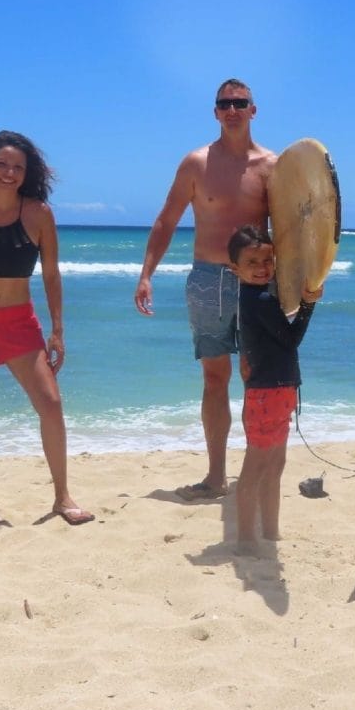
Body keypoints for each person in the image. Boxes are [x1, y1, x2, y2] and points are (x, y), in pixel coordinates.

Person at [134, 79, 277, 501]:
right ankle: (216, 476)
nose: (232, 109)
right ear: (215, 112)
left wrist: (305, 280)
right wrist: (146, 274)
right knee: (215, 378)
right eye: (224, 103)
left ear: (254, 109)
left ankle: (255, 471)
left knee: (257, 376)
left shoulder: (273, 165)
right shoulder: (196, 163)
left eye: (240, 102)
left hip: (257, 281)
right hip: (208, 279)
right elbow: (166, 220)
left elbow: (295, 228)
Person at [0, 131, 94, 526]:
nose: (9, 172)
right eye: (1, 164)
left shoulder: (39, 214)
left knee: (51, 404)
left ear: (27, 174)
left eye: (17, 167)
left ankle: (62, 496)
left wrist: (57, 329)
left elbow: (51, 274)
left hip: (18, 322)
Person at [226, 225, 322, 550]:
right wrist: (308, 306)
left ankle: (270, 531)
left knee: (275, 465)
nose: (262, 267)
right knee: (256, 467)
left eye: (267, 259)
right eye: (252, 262)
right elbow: (292, 339)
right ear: (234, 269)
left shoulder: (254, 296)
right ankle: (245, 538)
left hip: (277, 391)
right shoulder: (261, 300)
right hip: (268, 393)